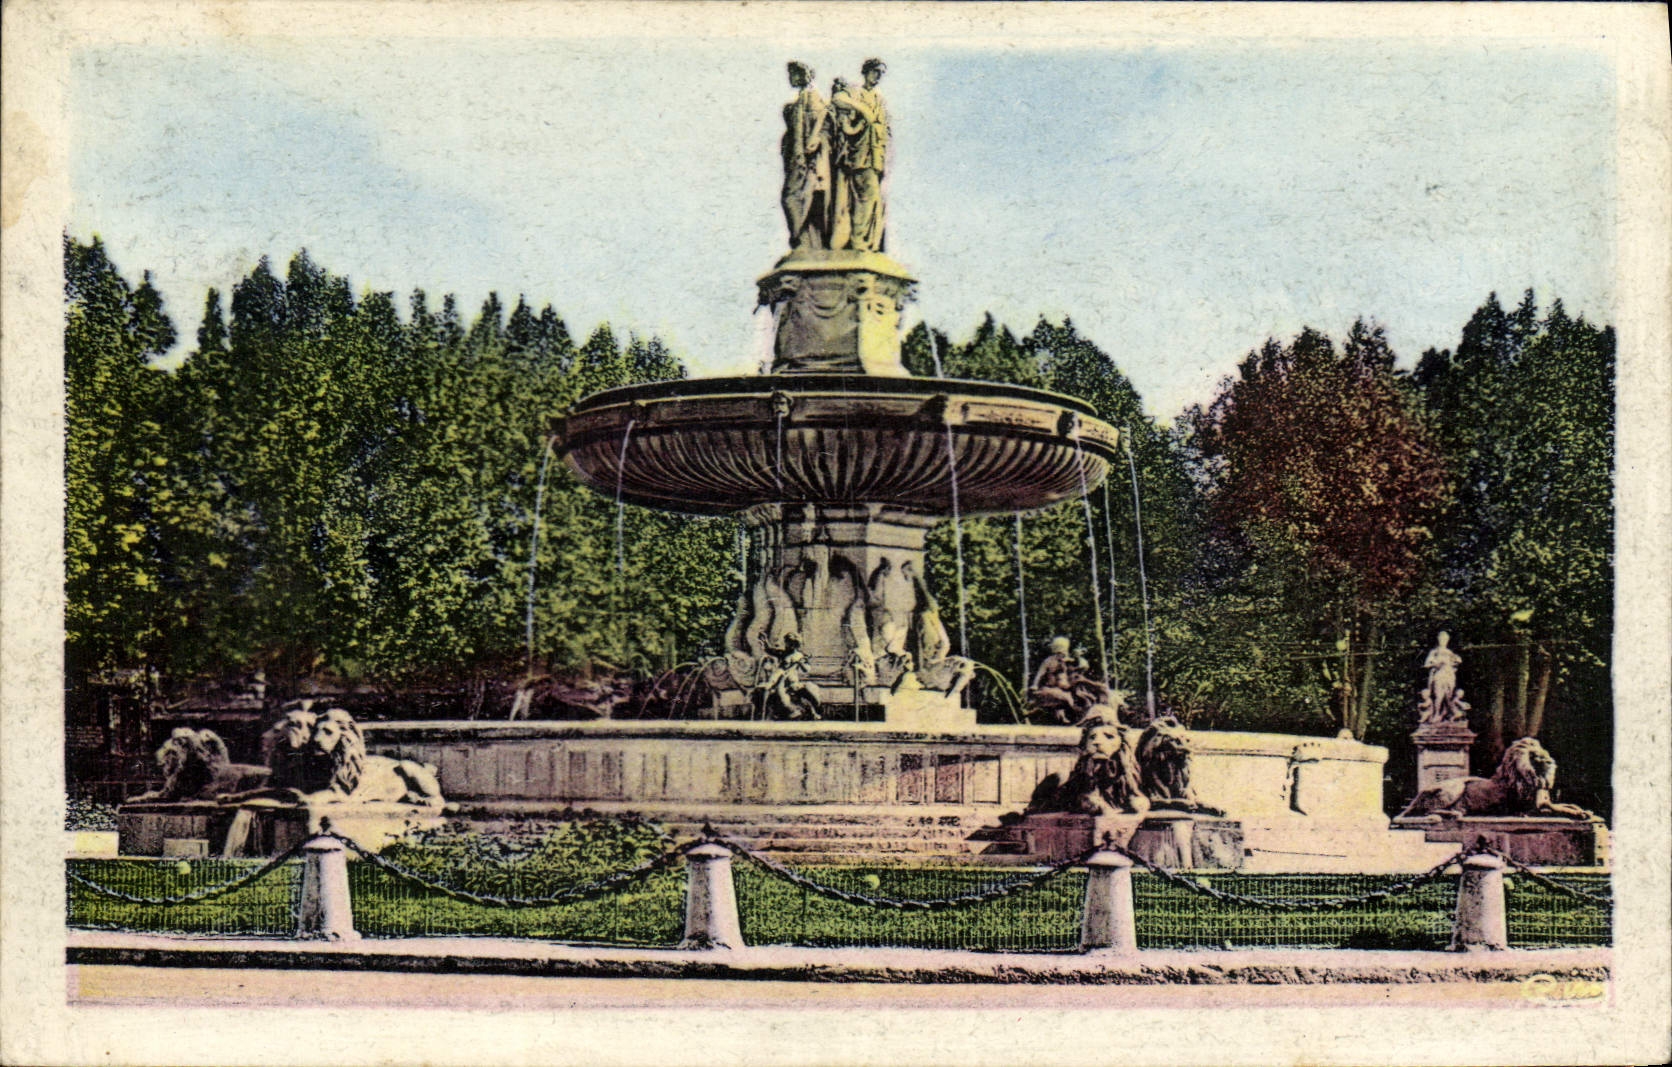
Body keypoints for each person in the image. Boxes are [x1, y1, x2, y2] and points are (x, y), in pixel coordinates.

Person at [827, 59, 890, 252]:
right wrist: (861, 109)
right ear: (866, 72)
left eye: (881, 73)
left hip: (875, 156)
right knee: (865, 196)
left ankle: (865, 241)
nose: (877, 76)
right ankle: (858, 242)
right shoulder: (856, 92)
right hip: (859, 155)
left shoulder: (880, 99)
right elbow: (838, 99)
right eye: (875, 71)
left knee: (872, 200)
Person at [780, 61, 830, 250]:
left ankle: (799, 238)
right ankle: (801, 239)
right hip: (799, 158)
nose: (791, 78)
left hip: (805, 160)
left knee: (793, 197)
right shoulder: (803, 99)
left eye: (793, 74)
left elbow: (816, 122)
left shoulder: (810, 97)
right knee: (796, 198)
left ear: (803, 75)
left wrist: (810, 144)